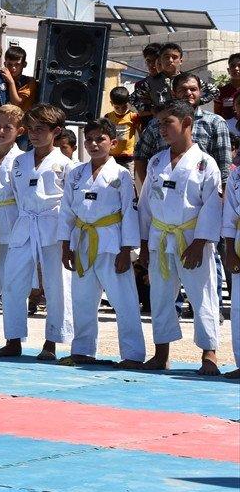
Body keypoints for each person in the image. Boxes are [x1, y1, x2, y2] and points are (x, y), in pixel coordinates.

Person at [138, 100, 223, 376]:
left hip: (192, 237)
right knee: (161, 295)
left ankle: (209, 354)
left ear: (186, 124)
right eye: (159, 123)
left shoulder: (205, 163)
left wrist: (201, 241)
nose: (161, 129)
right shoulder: (155, 161)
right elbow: (146, 203)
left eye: (167, 123)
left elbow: (212, 204)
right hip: (160, 235)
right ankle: (161, 352)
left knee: (203, 295)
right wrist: (144, 244)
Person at [58, 118, 145, 368]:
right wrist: (66, 245)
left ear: (113, 143)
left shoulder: (121, 174)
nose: (94, 144)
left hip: (112, 242)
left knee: (124, 300)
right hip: (82, 241)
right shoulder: (76, 174)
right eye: (90, 140)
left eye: (100, 139)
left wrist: (127, 250)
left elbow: (129, 212)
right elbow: (66, 212)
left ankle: (133, 354)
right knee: (82, 299)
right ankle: (83, 350)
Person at [0, 104, 75, 361]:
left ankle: (51, 342)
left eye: (41, 129)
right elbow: (17, 195)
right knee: (13, 282)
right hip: (25, 223)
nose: (35, 134)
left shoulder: (66, 164)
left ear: (56, 131)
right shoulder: (19, 161)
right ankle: (13, 338)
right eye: (32, 129)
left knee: (56, 284)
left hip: (53, 226)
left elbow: (70, 203)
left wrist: (67, 239)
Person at [134, 73, 231, 187]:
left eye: (193, 89)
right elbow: (140, 156)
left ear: (200, 92)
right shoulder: (157, 123)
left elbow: (224, 166)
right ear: (173, 93)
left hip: (202, 195)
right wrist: (150, 187)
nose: (189, 93)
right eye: (183, 89)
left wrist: (222, 196)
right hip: (163, 195)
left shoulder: (215, 123)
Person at [131, 43, 179, 129]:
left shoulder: (177, 81)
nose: (151, 65)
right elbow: (141, 110)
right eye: (148, 61)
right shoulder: (142, 85)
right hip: (150, 130)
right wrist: (154, 109)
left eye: (155, 61)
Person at [222, 163, 240, 379]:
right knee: (238, 308)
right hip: (238, 239)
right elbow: (229, 215)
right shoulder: (236, 176)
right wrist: (229, 250)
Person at [105, 86, 139, 168]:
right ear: (111, 103)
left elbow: (140, 132)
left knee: (129, 179)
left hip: (128, 156)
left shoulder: (133, 116)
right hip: (112, 156)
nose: (121, 110)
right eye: (117, 107)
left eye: (124, 107)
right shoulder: (108, 117)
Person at [3, 45, 37, 113]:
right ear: (5, 64)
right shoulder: (1, 79)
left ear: (24, 64)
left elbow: (16, 103)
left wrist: (11, 82)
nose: (13, 68)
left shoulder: (29, 82)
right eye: (10, 64)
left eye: (17, 64)